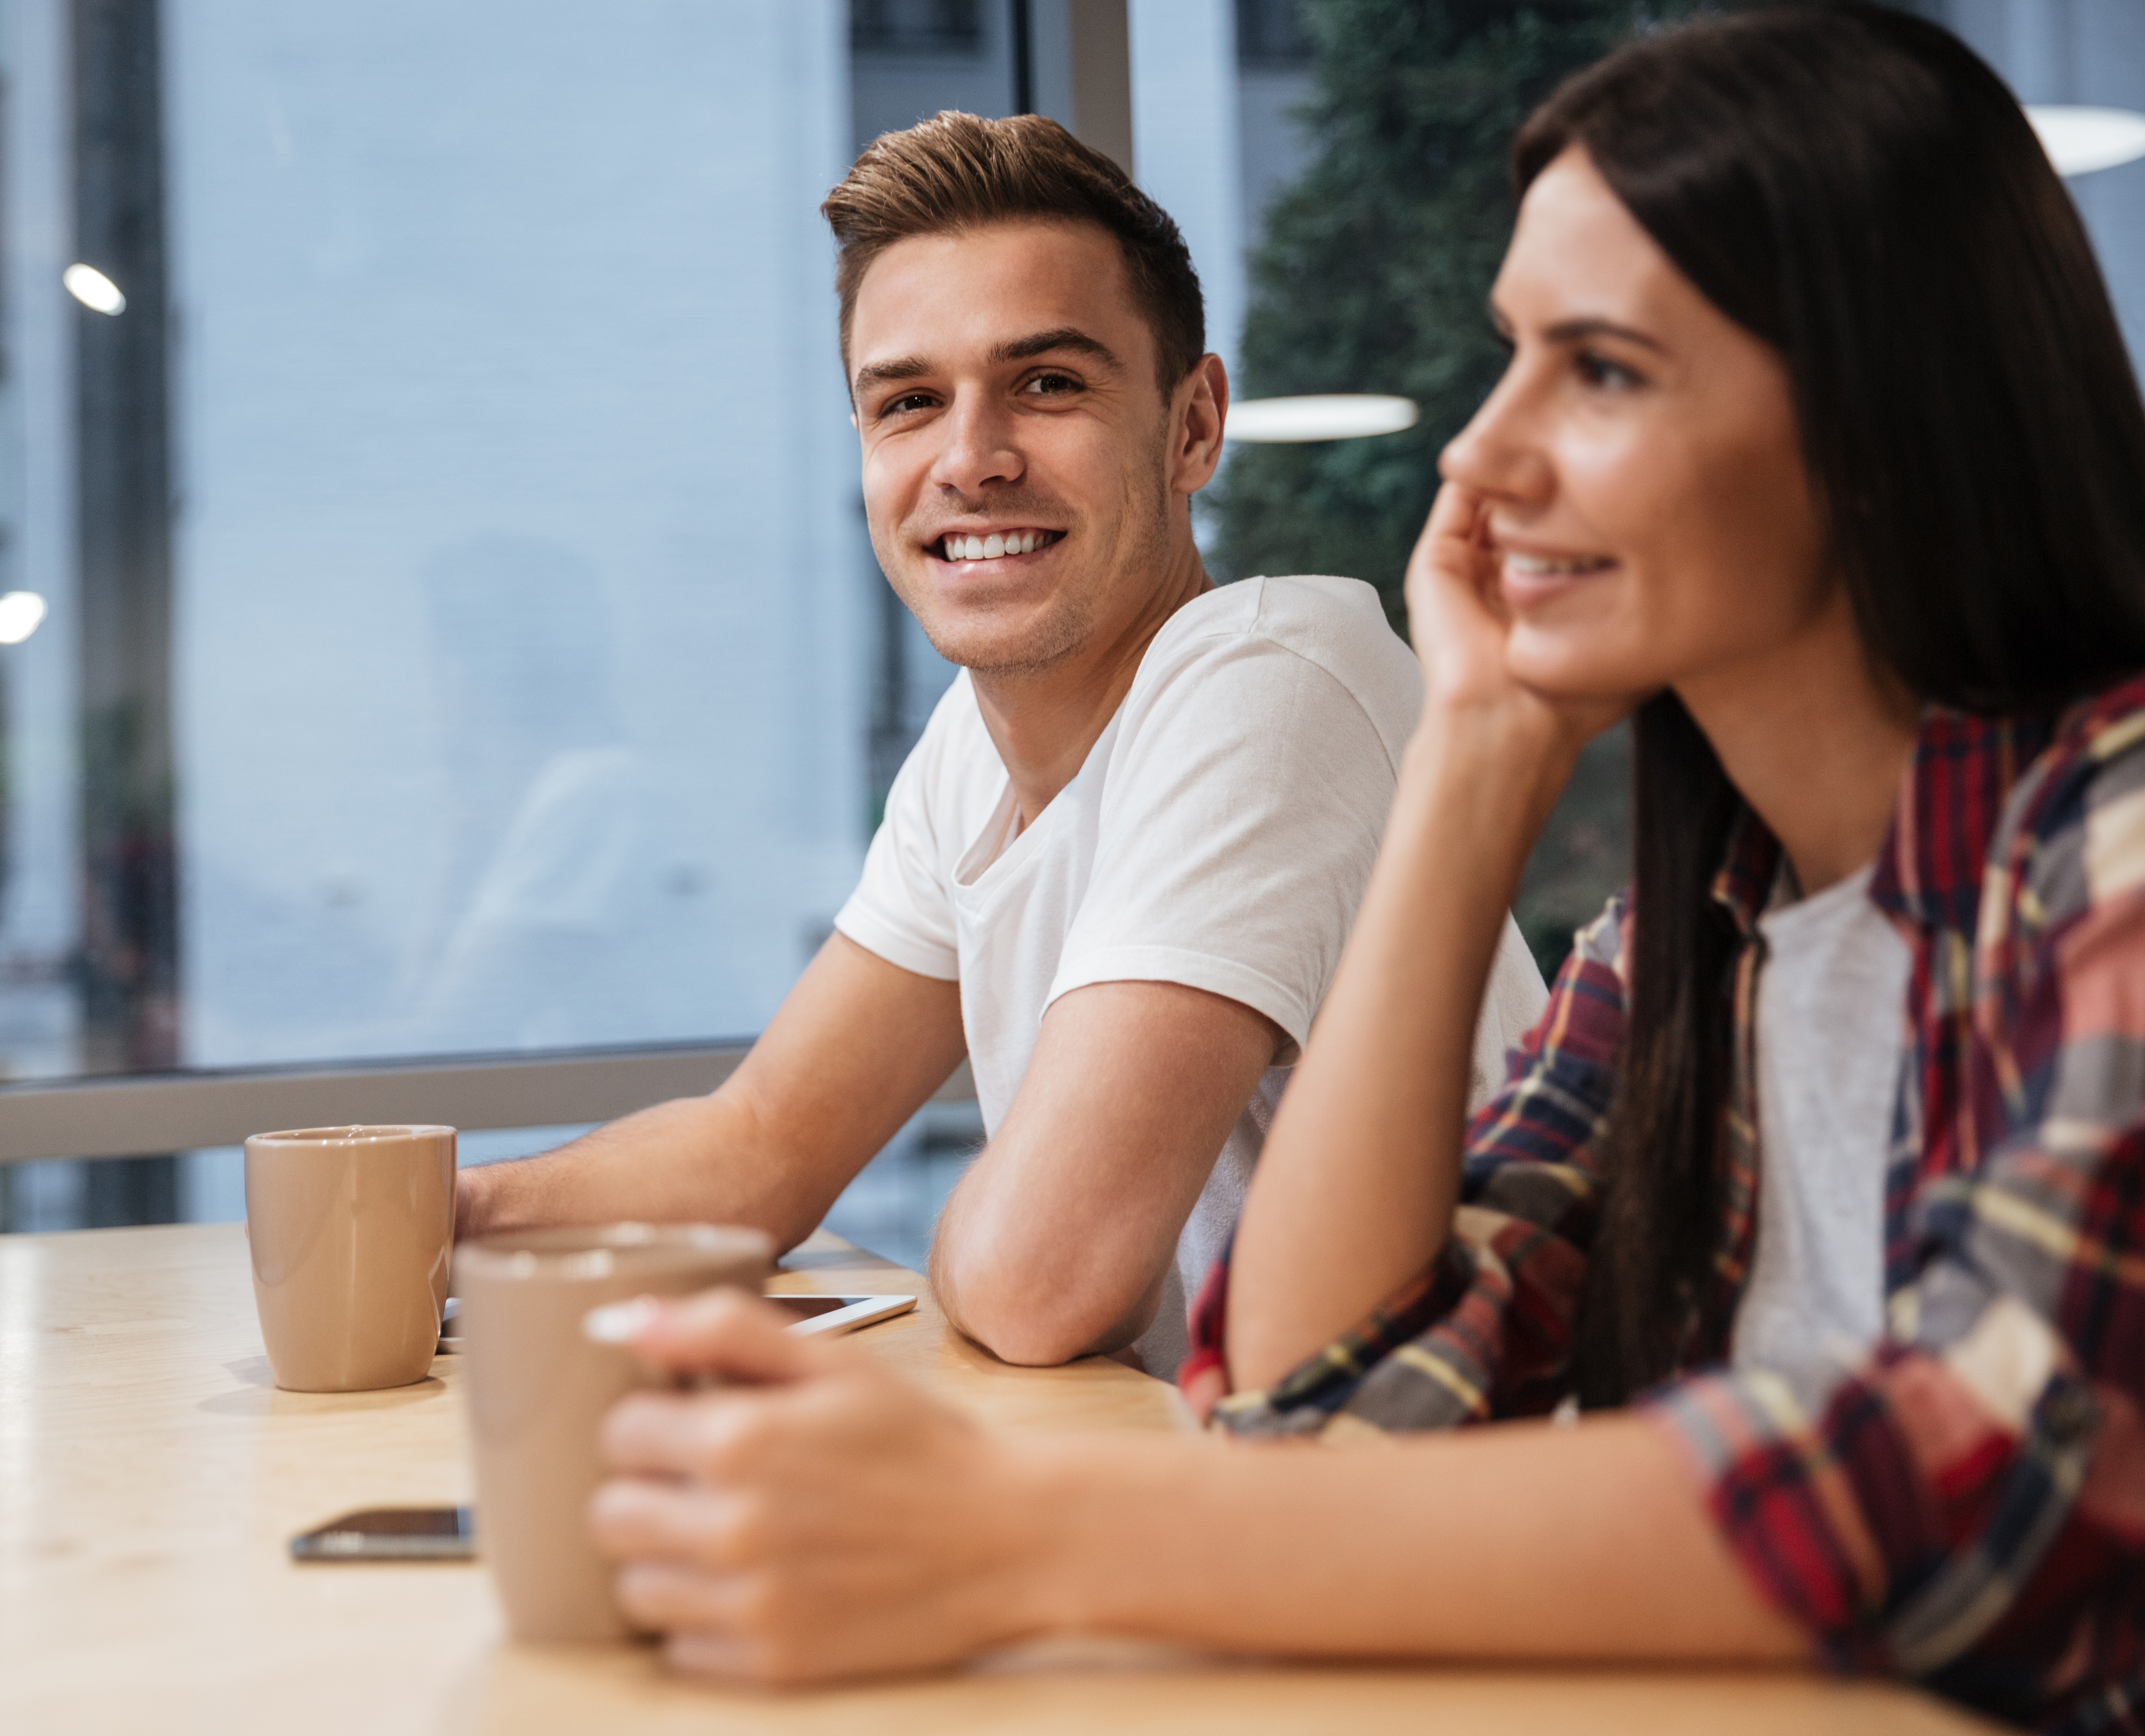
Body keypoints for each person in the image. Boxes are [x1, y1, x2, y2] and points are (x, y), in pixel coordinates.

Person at [580, 9, 2145, 1728]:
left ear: (1880, 424)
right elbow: (1320, 1392)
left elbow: (1993, 1479)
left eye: (1603, 369)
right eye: (1511, 356)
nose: (1482, 455)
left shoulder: (2114, 855)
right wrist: (1480, 752)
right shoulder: (1701, 931)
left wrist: (1038, 1535)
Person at [458, 113, 1547, 1373]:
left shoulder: (1270, 674)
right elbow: (760, 1145)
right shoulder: (969, 755)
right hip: (1215, 1500)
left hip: (1423, 1532)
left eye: (1048, 384)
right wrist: (440, 1210)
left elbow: (1044, 1280)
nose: (969, 462)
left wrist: (972, 1233)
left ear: (1193, 427)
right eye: (909, 403)